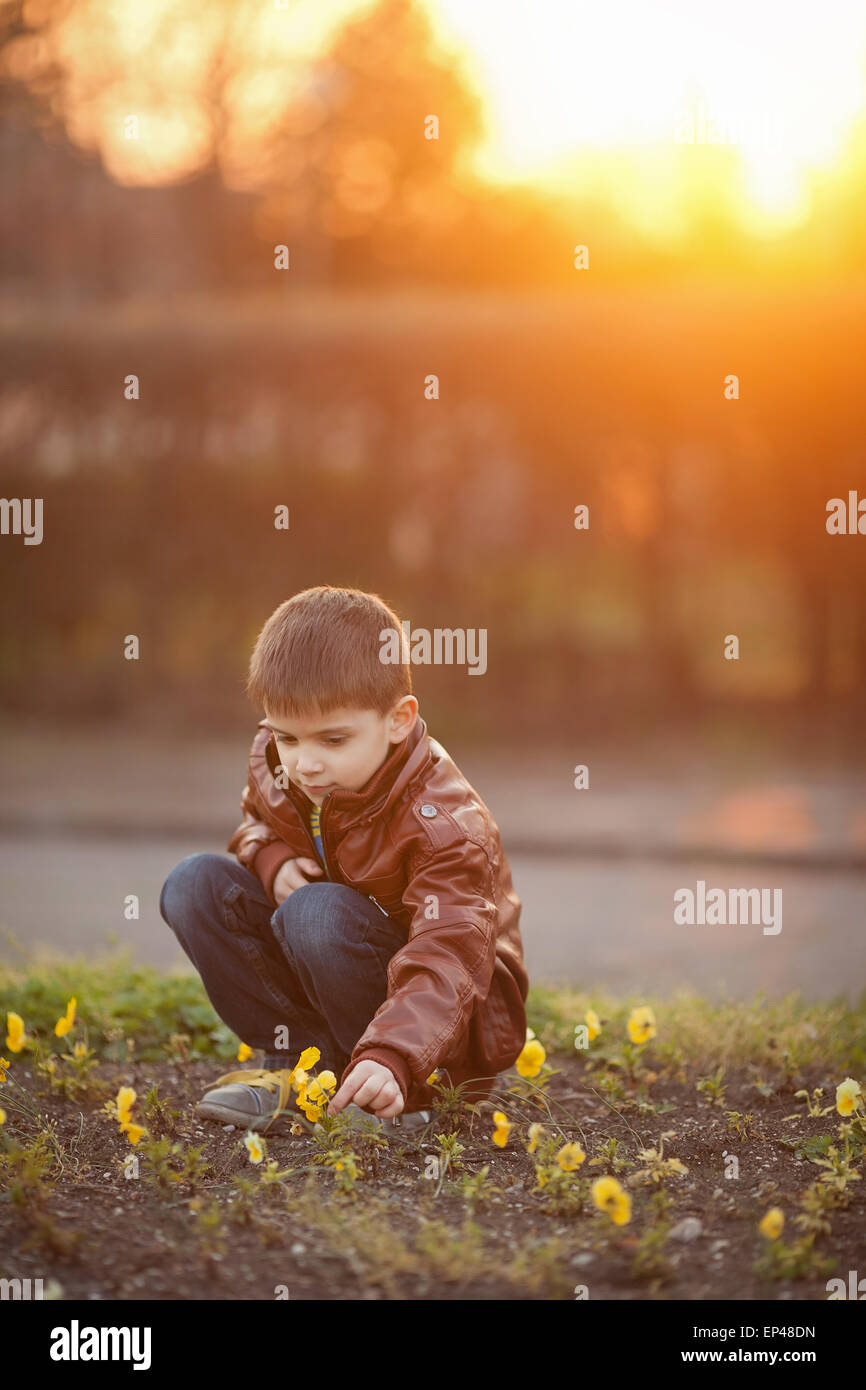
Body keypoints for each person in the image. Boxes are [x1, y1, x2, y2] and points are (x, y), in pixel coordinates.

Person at [159, 584, 528, 1135]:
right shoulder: (277, 762)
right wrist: (271, 857)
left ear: (399, 719)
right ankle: (300, 1067)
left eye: (333, 740)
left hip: (442, 1027)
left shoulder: (445, 825)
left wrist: (396, 1054)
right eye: (287, 736)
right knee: (194, 884)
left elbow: (450, 954)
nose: (305, 764)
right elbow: (255, 821)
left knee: (315, 912)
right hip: (333, 963)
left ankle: (399, 1090)